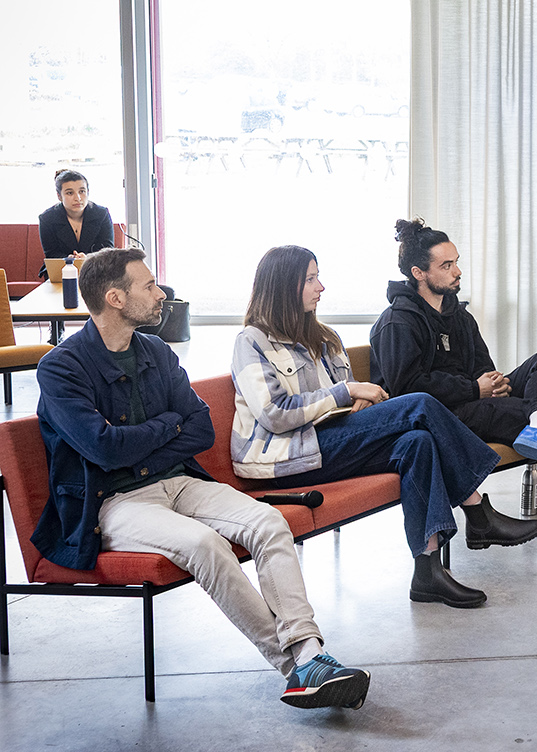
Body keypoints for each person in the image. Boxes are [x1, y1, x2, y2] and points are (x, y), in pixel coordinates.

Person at [32, 248, 370, 710]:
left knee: (269, 523)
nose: (161, 294)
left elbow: (199, 428)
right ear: (115, 298)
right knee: (204, 545)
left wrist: (138, 441)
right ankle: (296, 666)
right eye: (149, 285)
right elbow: (104, 450)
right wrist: (165, 426)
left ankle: (309, 655)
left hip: (180, 483)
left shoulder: (155, 350)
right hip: (113, 502)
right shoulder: (61, 367)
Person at [232, 246, 537, 610]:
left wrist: (357, 398)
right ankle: (476, 509)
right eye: (311, 279)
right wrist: (347, 393)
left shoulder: (324, 337)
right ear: (284, 286)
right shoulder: (251, 342)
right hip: (289, 457)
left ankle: (427, 572)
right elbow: (275, 413)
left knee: (418, 442)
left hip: (334, 439)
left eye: (318, 277)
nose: (321, 287)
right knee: (420, 403)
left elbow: (353, 396)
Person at [370, 219, 537, 554]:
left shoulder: (459, 316)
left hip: (472, 399)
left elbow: (482, 365)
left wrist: (492, 383)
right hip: (442, 416)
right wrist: (474, 389)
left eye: (456, 262)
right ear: (419, 273)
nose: (457, 271)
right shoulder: (397, 321)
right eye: (446, 266)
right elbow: (408, 389)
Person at [38, 169, 116, 274]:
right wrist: (69, 259)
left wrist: (88, 258)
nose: (78, 198)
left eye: (82, 191)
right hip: (61, 269)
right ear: (59, 196)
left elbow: (107, 251)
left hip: (97, 269)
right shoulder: (47, 218)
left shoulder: (101, 214)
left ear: (88, 192)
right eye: (70, 193)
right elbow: (52, 254)